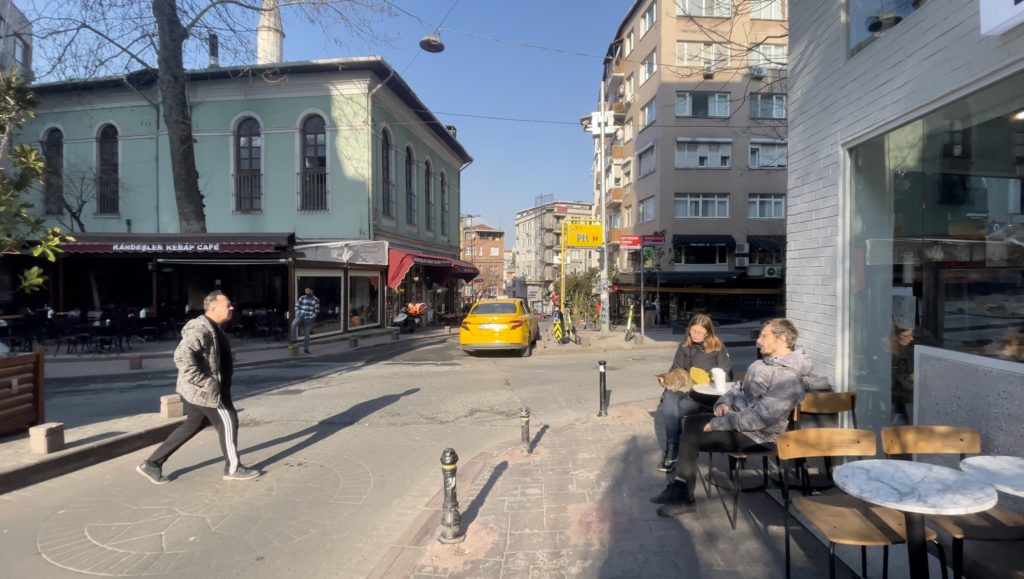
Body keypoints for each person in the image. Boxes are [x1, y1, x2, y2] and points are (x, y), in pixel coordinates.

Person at [654, 318, 810, 516]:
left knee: (693, 432)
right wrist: (723, 402)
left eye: (764, 336)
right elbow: (737, 386)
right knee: (691, 423)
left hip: (758, 436)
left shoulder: (789, 378)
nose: (758, 340)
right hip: (738, 423)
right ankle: (680, 489)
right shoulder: (763, 363)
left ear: (782, 340)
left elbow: (760, 419)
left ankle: (684, 496)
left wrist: (719, 423)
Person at [135, 291, 260, 484]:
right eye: (227, 305)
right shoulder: (200, 327)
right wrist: (201, 380)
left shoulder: (215, 327)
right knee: (229, 421)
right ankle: (233, 468)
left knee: (192, 425)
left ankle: (152, 464)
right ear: (213, 308)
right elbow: (182, 356)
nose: (232, 307)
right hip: (209, 391)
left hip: (205, 391)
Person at [656, 314, 732, 472]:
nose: (695, 334)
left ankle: (677, 450)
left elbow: (726, 374)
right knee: (670, 399)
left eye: (699, 331)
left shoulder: (718, 347)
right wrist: (668, 382)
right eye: (693, 330)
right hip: (691, 395)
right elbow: (675, 371)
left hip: (711, 398)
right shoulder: (684, 347)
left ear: (708, 333)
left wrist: (708, 377)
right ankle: (672, 448)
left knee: (671, 410)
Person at [292, 287, 319, 354]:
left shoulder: (316, 299)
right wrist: (298, 313)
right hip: (301, 315)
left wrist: (312, 317)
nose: (306, 292)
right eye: (305, 290)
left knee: (307, 334)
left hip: (309, 318)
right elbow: (297, 306)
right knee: (293, 324)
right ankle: (294, 340)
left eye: (308, 290)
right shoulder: (302, 297)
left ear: (311, 291)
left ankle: (306, 349)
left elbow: (316, 311)